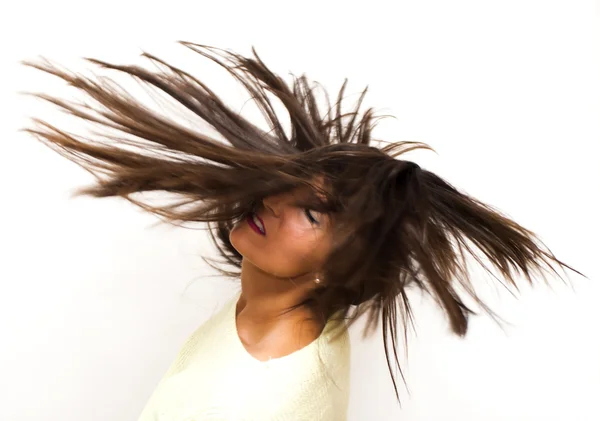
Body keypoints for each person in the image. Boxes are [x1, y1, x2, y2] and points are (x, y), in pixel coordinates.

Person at [22, 42, 583, 421]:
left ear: (338, 266)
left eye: (312, 215)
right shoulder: (277, 313)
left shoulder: (264, 393)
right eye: (292, 186)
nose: (273, 201)